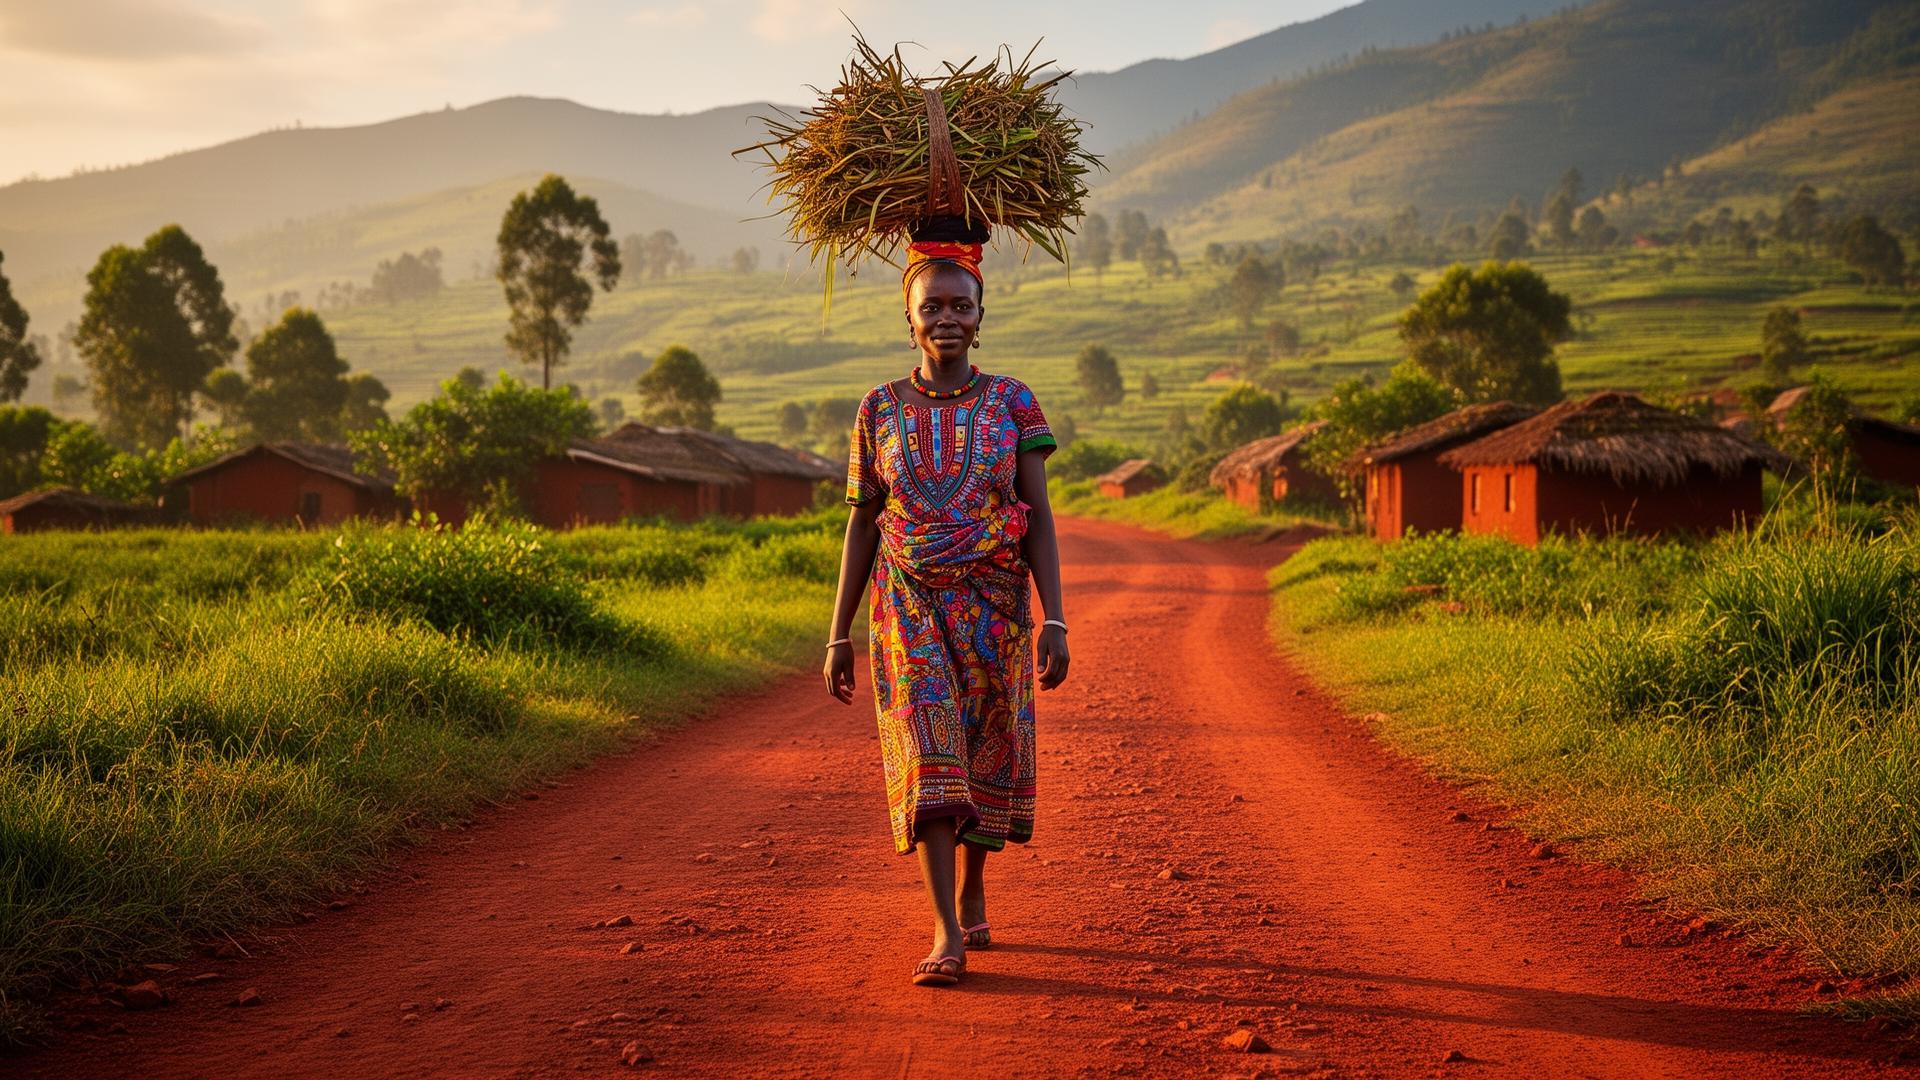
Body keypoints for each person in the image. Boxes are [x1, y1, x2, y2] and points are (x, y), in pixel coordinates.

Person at [823, 217, 1070, 988]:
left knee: (986, 749)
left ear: (981, 314)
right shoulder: (877, 409)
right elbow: (862, 522)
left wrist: (1055, 617)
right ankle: (944, 930)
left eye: (961, 306)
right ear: (909, 317)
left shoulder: (1014, 403)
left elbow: (1038, 517)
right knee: (929, 750)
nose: (947, 319)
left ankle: (973, 888)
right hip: (906, 606)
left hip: (996, 608)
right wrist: (838, 634)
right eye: (932, 306)